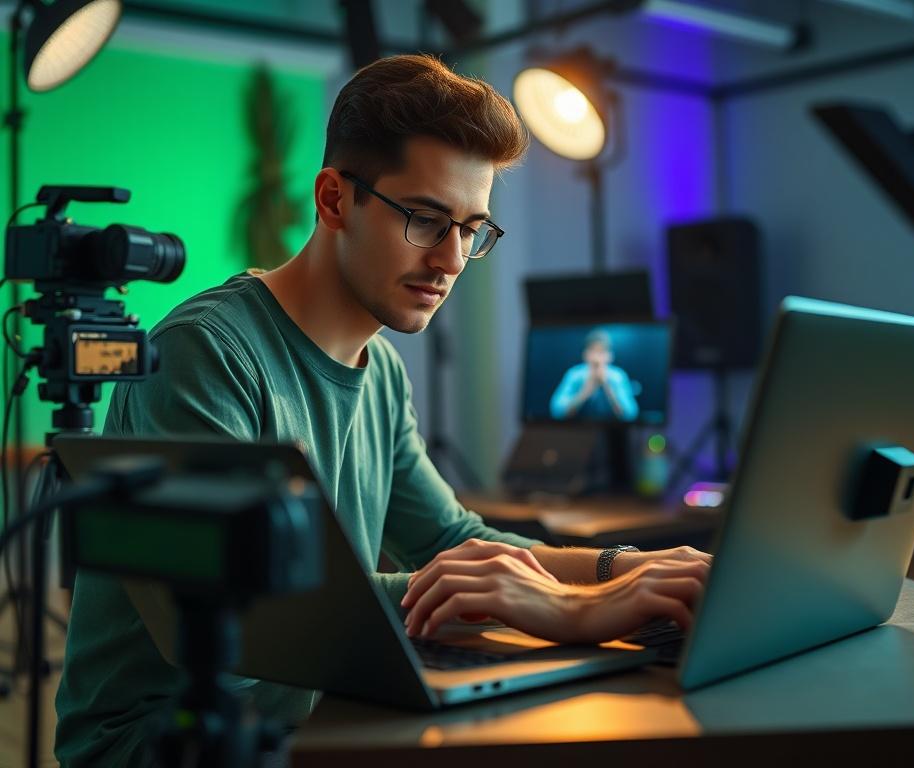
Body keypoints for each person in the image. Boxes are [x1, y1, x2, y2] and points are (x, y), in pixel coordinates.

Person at [54, 54, 711, 766]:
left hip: (313, 714)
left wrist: (621, 571)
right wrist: (559, 607)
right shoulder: (205, 354)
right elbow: (234, 618)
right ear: (335, 200)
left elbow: (452, 540)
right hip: (163, 745)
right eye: (428, 221)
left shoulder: (382, 371)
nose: (454, 259)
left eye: (473, 229)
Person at [549, 328, 639, 421]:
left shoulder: (618, 376)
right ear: (585, 354)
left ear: (610, 356)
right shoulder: (574, 375)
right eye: (593, 351)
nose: (597, 358)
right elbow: (556, 412)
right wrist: (586, 391)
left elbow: (631, 415)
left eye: (602, 352)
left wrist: (606, 385)